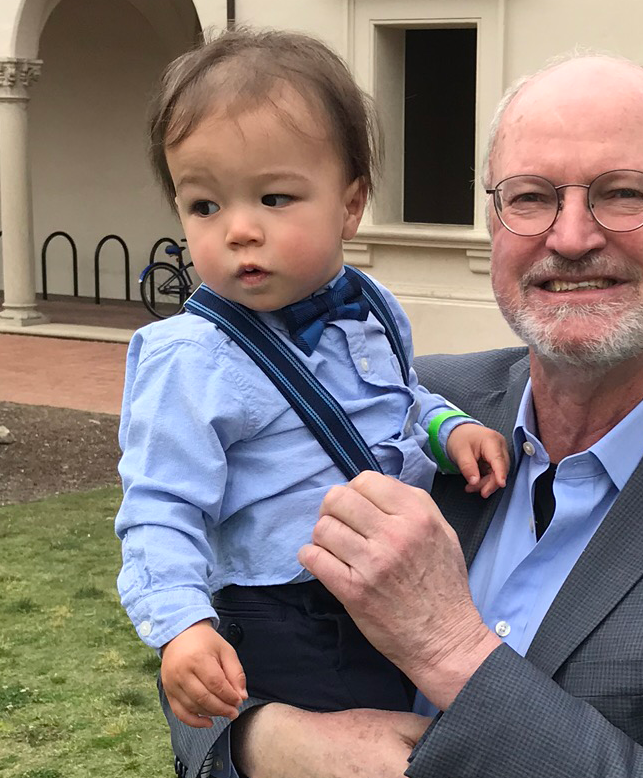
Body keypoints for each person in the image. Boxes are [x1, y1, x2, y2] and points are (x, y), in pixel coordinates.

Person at [221, 51, 643, 778]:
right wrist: (263, 744)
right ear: (495, 223)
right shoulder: (397, 411)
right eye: (531, 197)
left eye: (622, 193)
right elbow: (216, 628)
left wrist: (452, 650)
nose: (571, 237)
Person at [114, 27, 510, 778]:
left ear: (350, 203)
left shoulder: (371, 306)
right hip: (285, 617)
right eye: (203, 204)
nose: (238, 229)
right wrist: (184, 629)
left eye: (274, 197)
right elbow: (160, 508)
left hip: (390, 588)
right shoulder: (189, 360)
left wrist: (445, 427)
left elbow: (396, 399)